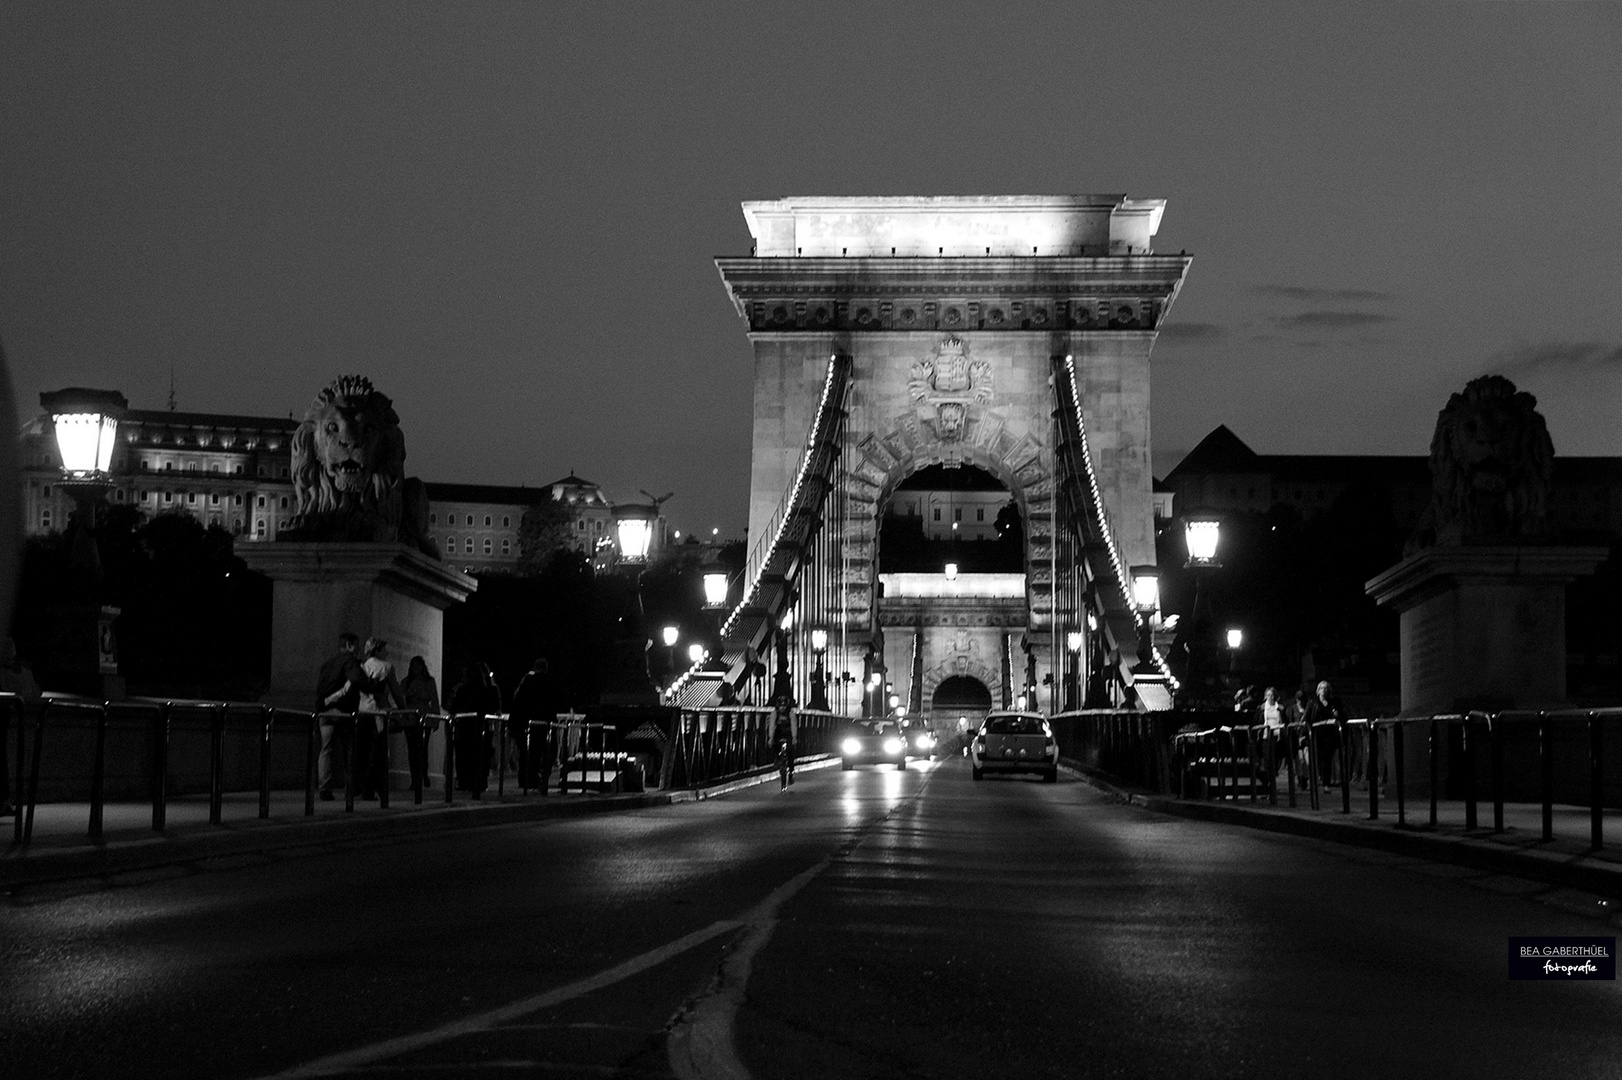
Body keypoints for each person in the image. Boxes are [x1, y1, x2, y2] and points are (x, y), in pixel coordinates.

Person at [314, 632, 370, 801]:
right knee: (349, 750)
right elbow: (358, 679)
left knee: (326, 749)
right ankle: (351, 787)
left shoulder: (328, 663)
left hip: (324, 710)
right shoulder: (350, 661)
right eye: (356, 645)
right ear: (349, 645)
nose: (358, 649)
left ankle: (324, 787)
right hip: (343, 711)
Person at [357, 638, 405, 799]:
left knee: (363, 752)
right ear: (377, 650)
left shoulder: (361, 667)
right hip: (379, 713)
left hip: (361, 712)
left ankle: (360, 786)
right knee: (378, 753)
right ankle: (375, 788)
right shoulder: (387, 667)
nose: (386, 652)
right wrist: (403, 710)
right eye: (384, 649)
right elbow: (396, 692)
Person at [450, 661, 502, 798]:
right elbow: (493, 707)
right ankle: (479, 782)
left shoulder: (462, 690)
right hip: (481, 728)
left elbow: (453, 708)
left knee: (464, 755)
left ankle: (464, 782)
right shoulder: (486, 691)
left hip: (464, 727)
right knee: (481, 756)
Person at [0, 637, 39, 817]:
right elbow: (33, 691)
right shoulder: (19, 672)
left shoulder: (6, 671)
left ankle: (3, 800)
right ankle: (3, 800)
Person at [510, 657, 557, 794]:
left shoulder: (527, 682)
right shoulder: (548, 683)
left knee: (528, 754)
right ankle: (539, 780)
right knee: (546, 753)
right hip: (544, 724)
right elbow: (553, 704)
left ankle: (527, 780)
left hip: (527, 723)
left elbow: (518, 703)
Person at [400, 655, 440, 792]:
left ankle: (423, 774)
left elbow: (434, 700)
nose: (416, 669)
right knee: (412, 750)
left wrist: (435, 720)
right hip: (410, 718)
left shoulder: (429, 682)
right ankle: (414, 778)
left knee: (422, 749)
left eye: (418, 665)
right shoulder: (406, 682)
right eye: (414, 666)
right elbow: (401, 700)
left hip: (424, 717)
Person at [1302, 679, 1347, 789]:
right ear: (1318, 690)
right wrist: (1304, 733)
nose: (1324, 690)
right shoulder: (1313, 703)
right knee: (1315, 759)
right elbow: (1307, 718)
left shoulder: (1333, 703)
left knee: (1327, 759)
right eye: (1322, 688)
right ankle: (1314, 780)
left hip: (1329, 734)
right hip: (1316, 733)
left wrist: (1337, 715)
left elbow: (1342, 716)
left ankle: (1326, 783)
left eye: (1326, 688)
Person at [1256, 686, 1289, 782]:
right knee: (1267, 760)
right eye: (1269, 695)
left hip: (1277, 736)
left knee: (1275, 760)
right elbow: (1257, 721)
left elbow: (1285, 721)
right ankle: (1267, 783)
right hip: (1265, 736)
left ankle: (1272, 781)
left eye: (1272, 695)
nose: (1271, 697)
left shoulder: (1280, 708)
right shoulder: (1261, 708)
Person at [772, 712, 796, 790]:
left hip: (788, 733)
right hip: (778, 733)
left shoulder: (790, 713)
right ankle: (776, 758)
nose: (782, 708)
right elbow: (772, 725)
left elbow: (793, 726)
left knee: (790, 752)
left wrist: (794, 737)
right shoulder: (775, 713)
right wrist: (770, 737)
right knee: (774, 744)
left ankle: (791, 772)